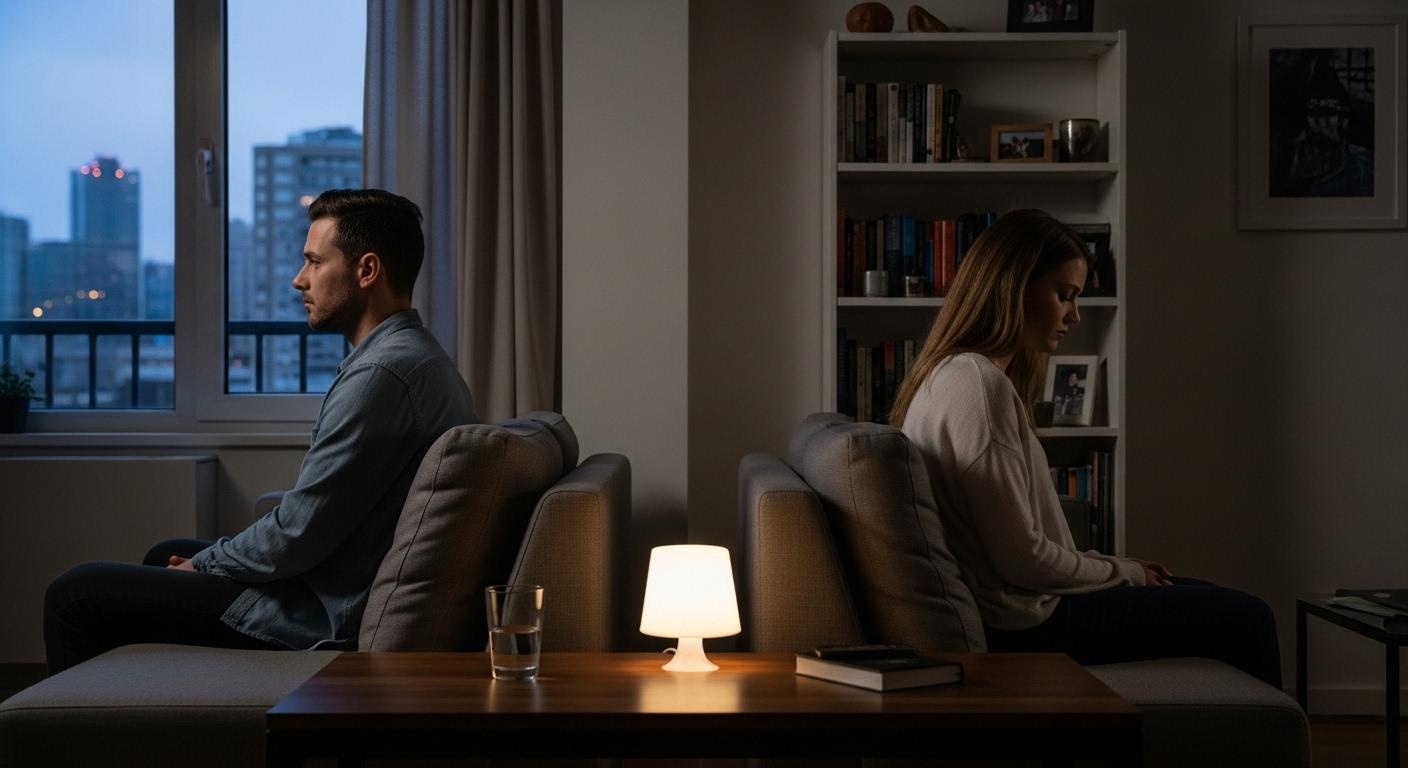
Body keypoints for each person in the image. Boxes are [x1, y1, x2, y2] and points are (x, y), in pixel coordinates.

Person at [44, 189, 479, 674]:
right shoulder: (415, 359)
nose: (299, 280)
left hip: (321, 613)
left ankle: (75, 736)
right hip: (325, 583)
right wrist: (208, 561)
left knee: (75, 593)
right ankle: (148, 718)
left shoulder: (383, 376)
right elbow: (313, 522)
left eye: (314, 262)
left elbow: (298, 532)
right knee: (165, 555)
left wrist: (208, 565)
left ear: (367, 270)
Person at [889, 208, 1281, 687]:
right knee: (1249, 616)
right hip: (1029, 623)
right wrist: (1123, 571)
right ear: (1013, 287)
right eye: (1064, 295)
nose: (1074, 315)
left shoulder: (949, 375)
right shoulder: (978, 386)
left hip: (1029, 607)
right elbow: (1023, 560)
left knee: (1204, 593)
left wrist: (1117, 570)